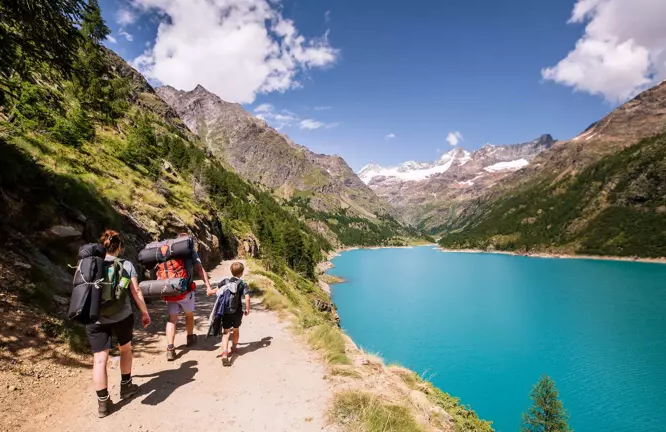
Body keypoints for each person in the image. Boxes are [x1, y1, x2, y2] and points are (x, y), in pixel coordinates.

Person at [86, 230, 151, 418]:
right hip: (122, 315)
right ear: (120, 247)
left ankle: (103, 404)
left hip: (94, 317)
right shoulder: (126, 264)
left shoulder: (90, 263)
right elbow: (136, 290)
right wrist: (145, 312)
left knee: (99, 359)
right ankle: (126, 386)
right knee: (125, 349)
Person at [165, 233, 213, 361]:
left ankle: (170, 348)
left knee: (172, 319)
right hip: (186, 291)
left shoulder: (168, 249)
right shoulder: (190, 250)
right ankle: (190, 337)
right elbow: (199, 269)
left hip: (170, 290)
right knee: (189, 315)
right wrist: (208, 286)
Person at [207, 262, 250, 366]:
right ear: (242, 272)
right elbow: (247, 298)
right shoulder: (243, 284)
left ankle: (225, 353)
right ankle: (234, 348)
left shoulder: (225, 281)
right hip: (237, 312)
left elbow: (213, 292)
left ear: (231, 271)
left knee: (226, 332)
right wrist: (247, 309)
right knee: (236, 330)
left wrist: (209, 291)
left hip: (225, 311)